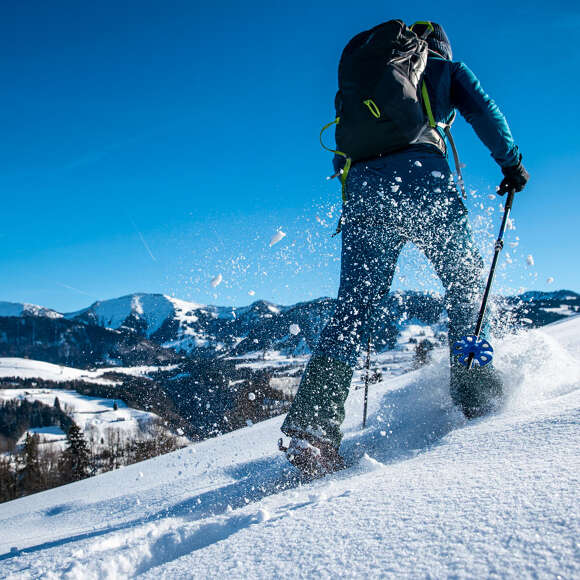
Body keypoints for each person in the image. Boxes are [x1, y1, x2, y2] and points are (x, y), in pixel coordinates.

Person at [280, 21, 529, 477]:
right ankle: (476, 394)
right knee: (465, 284)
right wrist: (511, 164)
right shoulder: (444, 68)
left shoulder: (368, 82)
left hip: (363, 192)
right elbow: (485, 112)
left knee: (353, 308)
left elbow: (343, 151)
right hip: (424, 182)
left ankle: (314, 429)